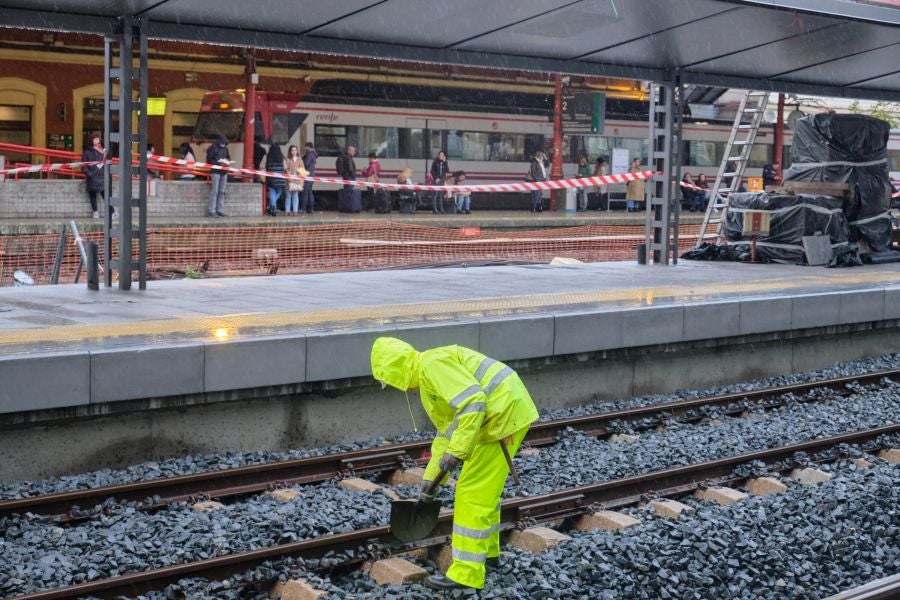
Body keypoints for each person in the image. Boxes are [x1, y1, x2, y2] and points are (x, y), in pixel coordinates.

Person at [370, 337, 539, 592]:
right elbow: (446, 434)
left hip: (500, 413)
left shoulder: (432, 366)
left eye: (392, 382)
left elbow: (474, 403)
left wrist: (458, 452)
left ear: (397, 372)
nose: (400, 389)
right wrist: (431, 480)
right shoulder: (427, 380)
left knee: (471, 493)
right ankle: (488, 555)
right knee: (484, 491)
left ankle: (466, 575)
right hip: (500, 409)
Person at [81, 132, 106, 219]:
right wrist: (89, 174)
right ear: (91, 140)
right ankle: (95, 212)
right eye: (95, 139)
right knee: (92, 196)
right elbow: (84, 166)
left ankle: (112, 212)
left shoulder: (102, 151)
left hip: (101, 177)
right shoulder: (87, 152)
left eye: (98, 139)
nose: (97, 140)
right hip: (91, 177)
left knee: (105, 195)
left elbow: (105, 163)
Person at [206, 134, 231, 218]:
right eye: (223, 143)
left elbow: (228, 157)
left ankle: (220, 210)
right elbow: (209, 160)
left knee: (222, 192)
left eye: (225, 143)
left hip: (224, 172)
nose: (224, 144)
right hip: (215, 172)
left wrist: (227, 162)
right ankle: (211, 211)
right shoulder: (212, 148)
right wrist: (219, 163)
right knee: (215, 191)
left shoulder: (225, 149)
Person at [336, 145, 360, 213]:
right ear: (349, 151)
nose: (354, 152)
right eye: (353, 151)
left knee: (346, 192)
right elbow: (350, 169)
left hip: (345, 177)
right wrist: (354, 175)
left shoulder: (344, 157)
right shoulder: (349, 158)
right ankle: (349, 208)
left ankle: (345, 207)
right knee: (349, 193)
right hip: (350, 177)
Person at [264, 141, 286, 217]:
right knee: (279, 192)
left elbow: (262, 166)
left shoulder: (268, 156)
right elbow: (285, 167)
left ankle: (272, 207)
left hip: (271, 178)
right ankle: (272, 207)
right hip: (280, 178)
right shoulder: (282, 157)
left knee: (272, 192)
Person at [284, 145, 303, 216]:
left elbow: (302, 169)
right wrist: (289, 177)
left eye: (295, 150)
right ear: (290, 151)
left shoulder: (300, 160)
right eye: (292, 150)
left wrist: (298, 172)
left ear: (297, 151)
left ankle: (295, 211)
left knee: (295, 195)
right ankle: (287, 211)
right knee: (288, 196)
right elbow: (286, 169)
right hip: (288, 180)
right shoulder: (288, 159)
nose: (294, 151)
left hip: (297, 180)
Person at [301, 142, 317, 214]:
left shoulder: (310, 154)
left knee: (305, 193)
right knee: (310, 192)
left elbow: (306, 164)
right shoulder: (313, 154)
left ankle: (303, 208)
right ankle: (310, 209)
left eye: (305, 147)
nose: (304, 148)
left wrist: (302, 160)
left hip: (308, 175)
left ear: (308, 147)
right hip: (312, 175)